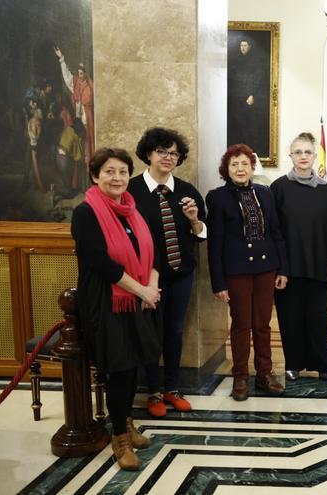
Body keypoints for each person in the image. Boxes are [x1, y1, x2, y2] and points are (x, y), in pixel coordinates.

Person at [72, 148, 161, 471]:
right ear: (96, 176)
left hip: (135, 298)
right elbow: (101, 263)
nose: (117, 178)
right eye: (109, 172)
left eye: (123, 172)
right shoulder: (86, 213)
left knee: (133, 364)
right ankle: (119, 439)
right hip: (106, 301)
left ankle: (126, 423)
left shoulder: (133, 211)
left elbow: (156, 253)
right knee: (120, 369)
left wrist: (150, 287)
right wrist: (143, 291)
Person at [129, 128, 207, 417]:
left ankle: (172, 388)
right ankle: (153, 391)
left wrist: (194, 219)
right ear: (149, 153)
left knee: (174, 332)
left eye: (174, 153)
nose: (168, 157)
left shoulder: (187, 191)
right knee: (152, 333)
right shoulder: (131, 191)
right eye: (162, 151)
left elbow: (201, 235)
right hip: (145, 279)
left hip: (181, 274)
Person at [206, 144, 288, 400]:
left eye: (244, 164)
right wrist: (218, 282)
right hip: (236, 271)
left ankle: (265, 373)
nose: (240, 169)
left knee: (262, 325)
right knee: (241, 324)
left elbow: (276, 233)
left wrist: (282, 268)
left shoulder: (265, 193)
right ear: (226, 170)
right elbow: (215, 242)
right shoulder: (217, 197)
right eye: (234, 164)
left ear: (253, 167)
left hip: (266, 268)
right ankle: (240, 376)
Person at [270, 132, 327, 387]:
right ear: (290, 156)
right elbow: (273, 230)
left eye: (308, 152)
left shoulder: (325, 189)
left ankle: (326, 368)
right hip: (288, 267)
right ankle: (293, 365)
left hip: (318, 264)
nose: (303, 157)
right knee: (289, 316)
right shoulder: (279, 187)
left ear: (315, 157)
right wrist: (278, 267)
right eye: (298, 152)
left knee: (318, 316)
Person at [54, 47, 95, 166]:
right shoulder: (76, 83)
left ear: (86, 74)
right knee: (75, 148)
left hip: (86, 122)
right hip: (78, 122)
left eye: (82, 73)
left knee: (87, 148)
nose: (80, 75)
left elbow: (88, 105)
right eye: (79, 73)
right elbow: (67, 77)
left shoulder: (90, 88)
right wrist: (61, 59)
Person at [228, 39, 267, 154]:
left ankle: (250, 150)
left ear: (249, 47)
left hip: (249, 98)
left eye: (245, 45)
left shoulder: (256, 61)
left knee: (249, 126)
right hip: (236, 98)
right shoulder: (236, 60)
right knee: (237, 125)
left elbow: (258, 78)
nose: (243, 48)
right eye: (241, 45)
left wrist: (252, 94)